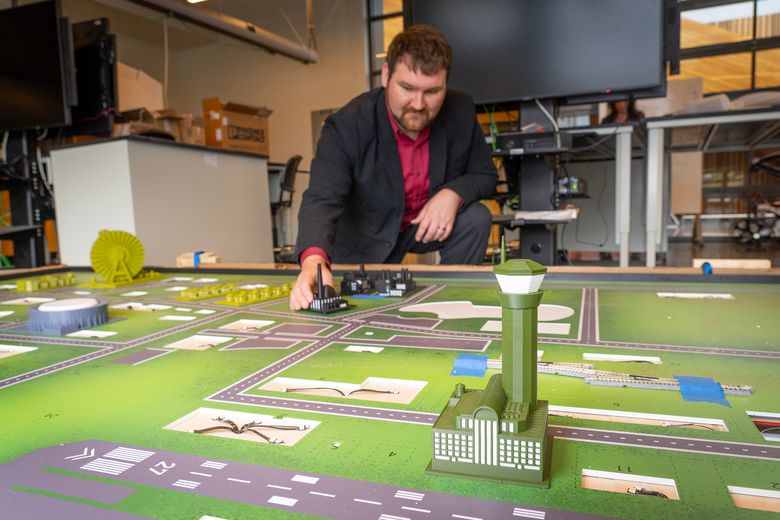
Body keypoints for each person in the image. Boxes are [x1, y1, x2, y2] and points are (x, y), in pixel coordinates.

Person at [290, 25, 497, 310]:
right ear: (386, 75)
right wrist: (313, 260)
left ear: (445, 84)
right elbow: (321, 199)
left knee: (476, 218)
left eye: (432, 91)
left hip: (423, 227)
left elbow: (485, 175)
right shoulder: (347, 125)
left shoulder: (460, 110)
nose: (418, 104)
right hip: (366, 234)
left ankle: (453, 297)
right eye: (407, 88)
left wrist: (453, 194)